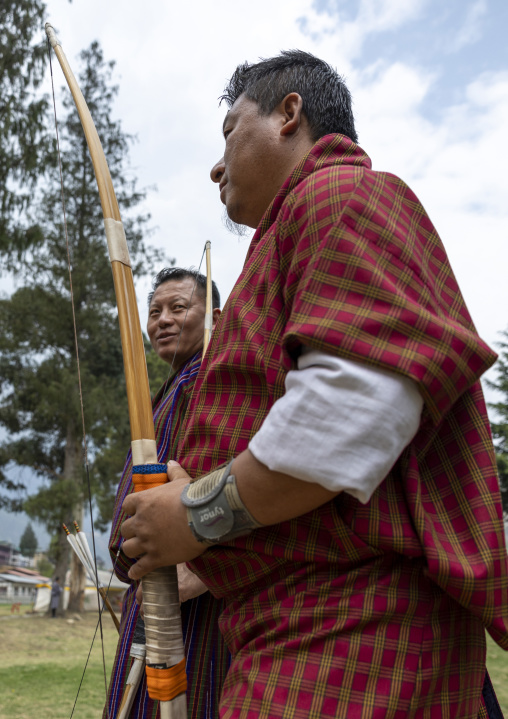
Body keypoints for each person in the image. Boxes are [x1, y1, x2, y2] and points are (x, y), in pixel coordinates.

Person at [121, 52, 508, 718]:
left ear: (289, 114)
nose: (216, 166)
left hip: (348, 634)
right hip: (293, 631)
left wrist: (192, 514)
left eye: (229, 131)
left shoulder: (343, 193)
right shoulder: (299, 227)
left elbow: (350, 413)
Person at [105, 267, 230, 719]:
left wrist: (198, 568)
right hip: (158, 589)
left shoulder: (203, 384)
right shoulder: (180, 386)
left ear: (216, 318)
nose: (162, 320)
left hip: (184, 596)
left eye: (179, 308)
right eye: (154, 311)